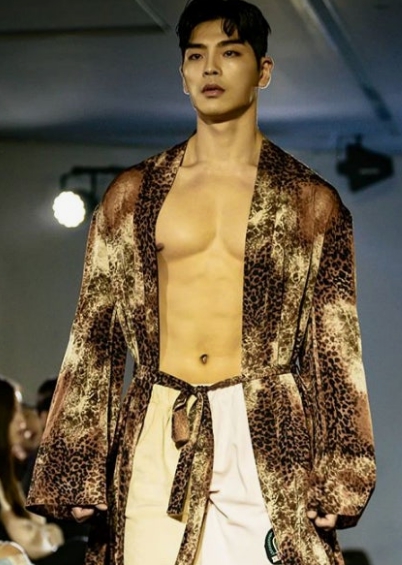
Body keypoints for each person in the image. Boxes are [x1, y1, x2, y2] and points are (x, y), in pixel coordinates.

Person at [27, 0, 376, 564]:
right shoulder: (134, 194)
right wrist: (74, 462)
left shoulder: (310, 203)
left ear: (263, 70)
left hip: (265, 435)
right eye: (196, 56)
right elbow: (95, 331)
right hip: (160, 425)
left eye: (230, 53)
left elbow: (335, 348)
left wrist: (344, 471)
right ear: (183, 74)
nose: (211, 68)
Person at [0, 378, 87, 565]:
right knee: (83, 548)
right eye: (15, 411)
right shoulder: (38, 464)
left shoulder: (8, 474)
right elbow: (26, 540)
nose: (22, 422)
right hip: (20, 556)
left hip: (29, 554)